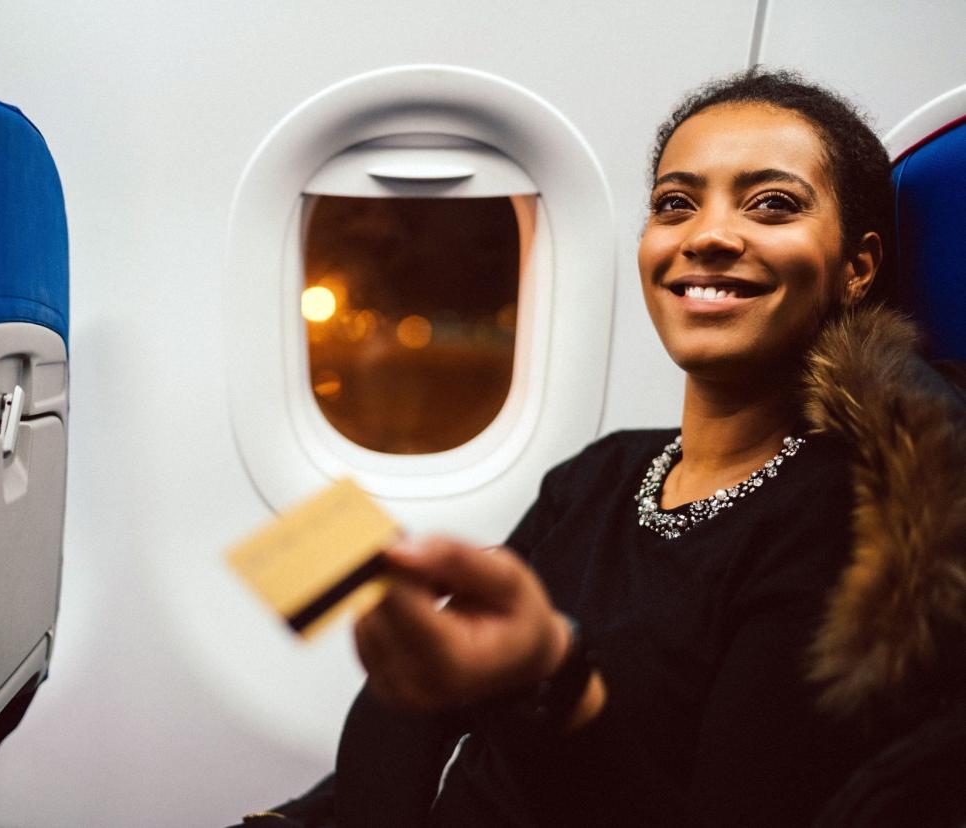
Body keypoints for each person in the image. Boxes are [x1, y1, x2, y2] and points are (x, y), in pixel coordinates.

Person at [233, 68, 966, 827]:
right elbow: (414, 709)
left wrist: (552, 689)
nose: (708, 235)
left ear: (858, 267)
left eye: (772, 204)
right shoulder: (601, 475)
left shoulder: (852, 524)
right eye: (675, 203)